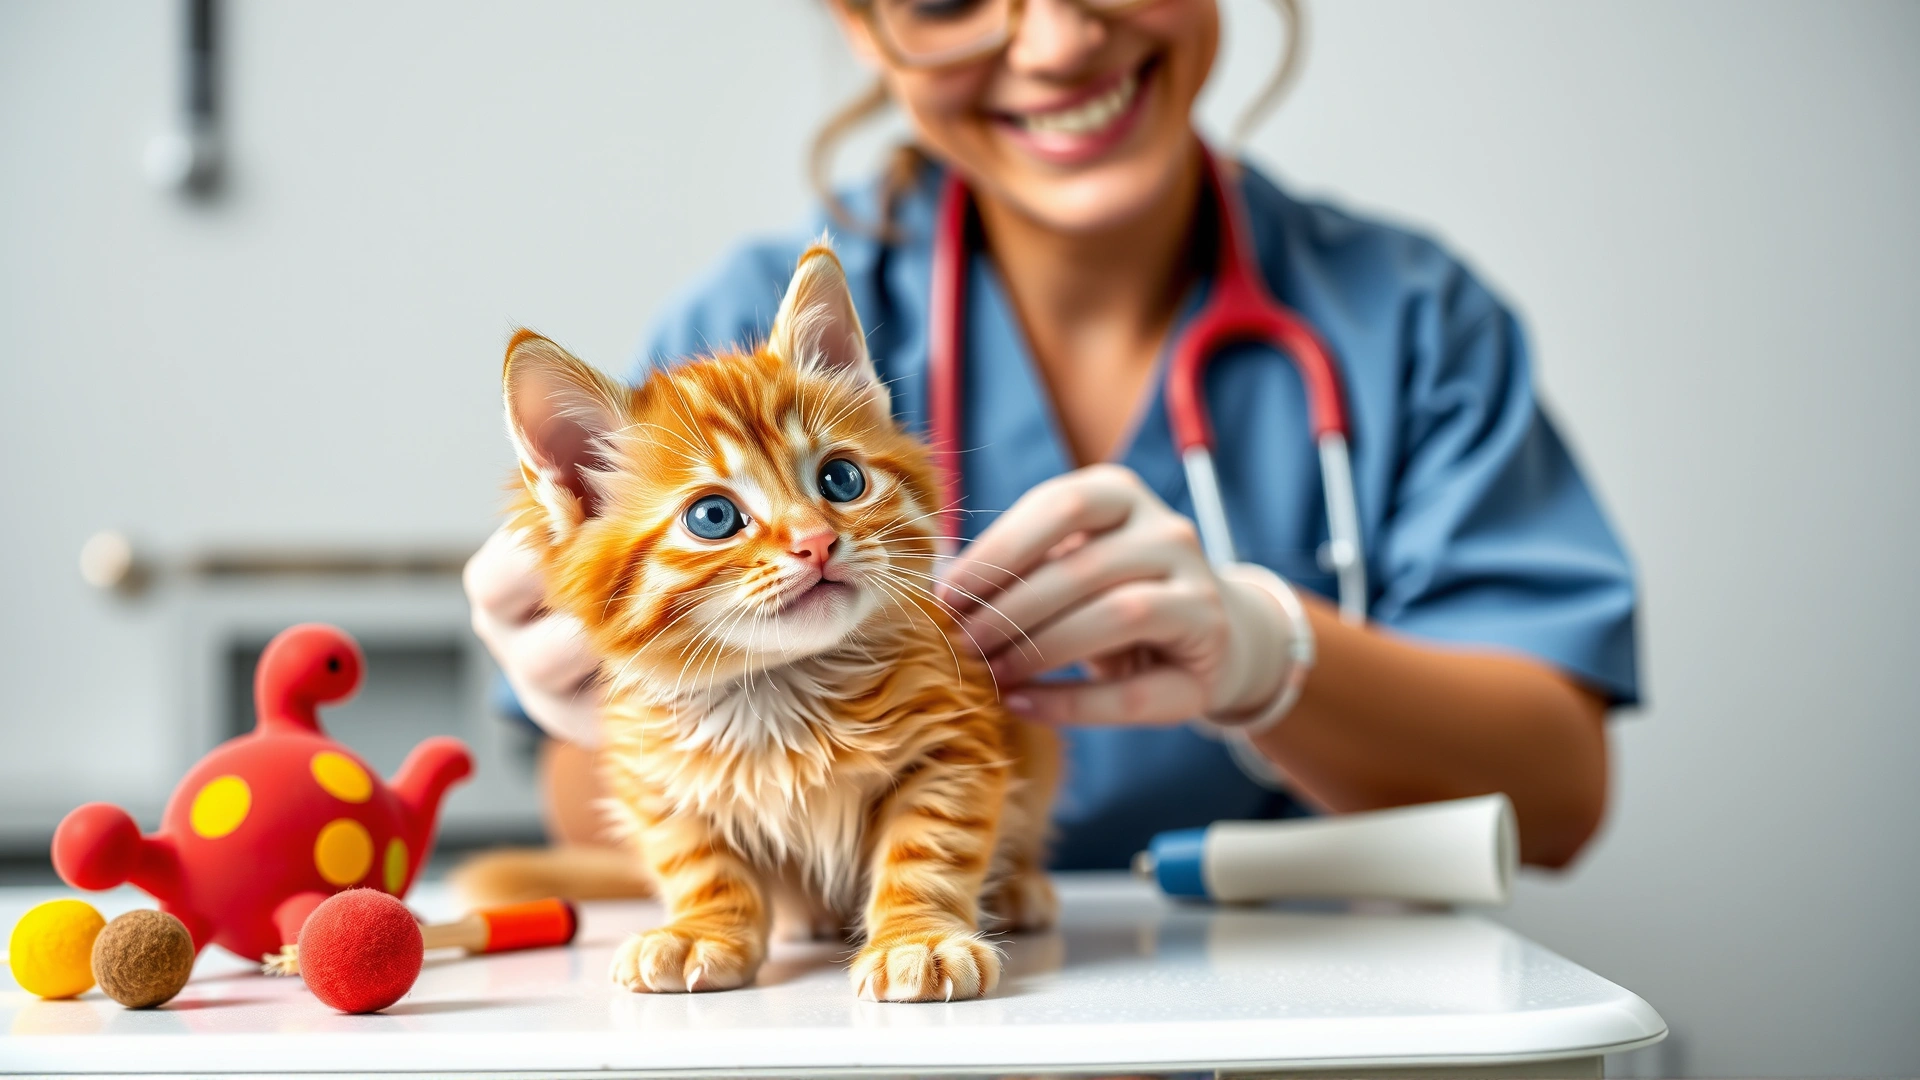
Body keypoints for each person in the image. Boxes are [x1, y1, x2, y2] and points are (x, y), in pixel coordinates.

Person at [464, 0, 1637, 874]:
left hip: (1296, 1008)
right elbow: (588, 802)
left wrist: (1269, 657)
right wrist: (625, 695)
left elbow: (1560, 798)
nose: (1058, 40)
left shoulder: (1410, 319)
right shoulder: (752, 337)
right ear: (863, 27)